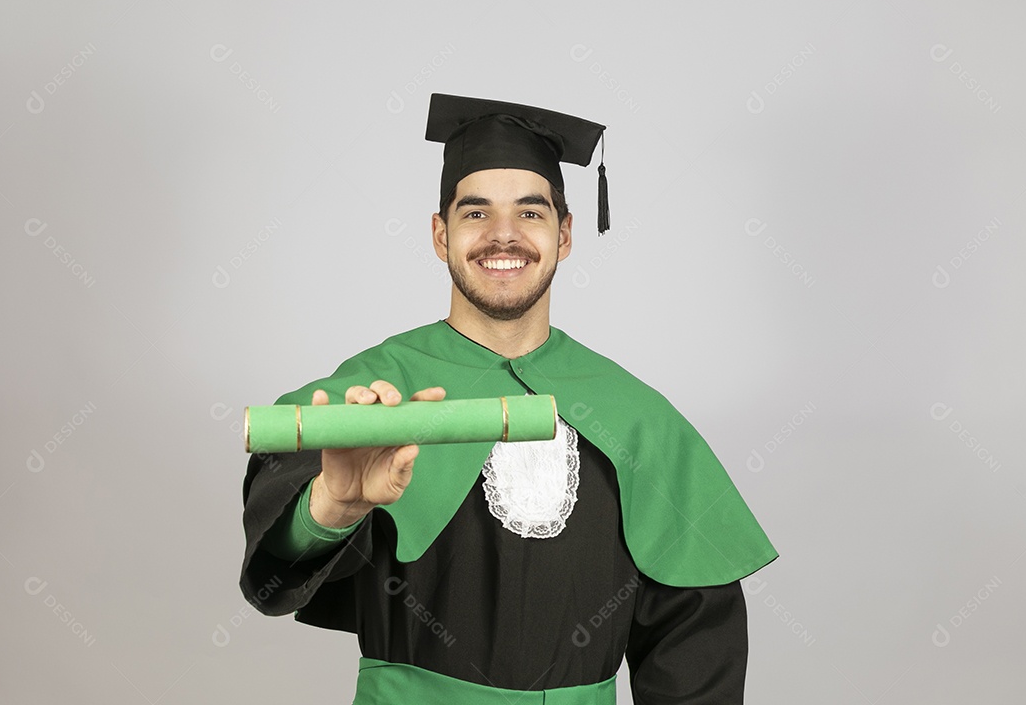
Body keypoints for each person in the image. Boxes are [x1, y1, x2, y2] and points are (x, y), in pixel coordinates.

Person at [239, 93, 777, 704]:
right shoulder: (371, 399)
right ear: (440, 235)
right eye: (475, 214)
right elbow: (270, 586)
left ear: (565, 233)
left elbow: (695, 642)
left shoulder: (637, 417)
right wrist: (334, 505)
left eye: (530, 212)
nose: (503, 235)